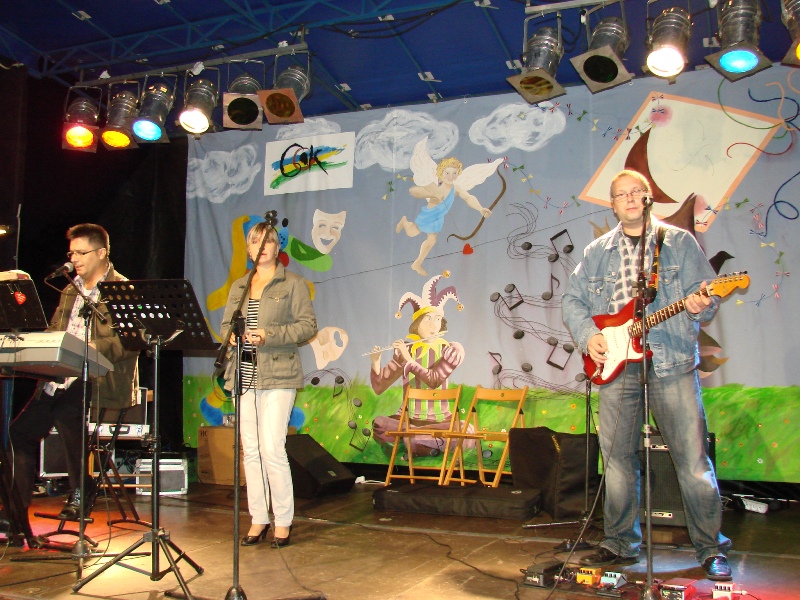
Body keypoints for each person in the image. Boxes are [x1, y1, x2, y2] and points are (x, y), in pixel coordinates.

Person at [561, 170, 732, 581]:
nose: (629, 198)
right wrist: (589, 336)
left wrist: (700, 305)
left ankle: (711, 548)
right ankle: (620, 544)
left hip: (671, 360)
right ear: (613, 204)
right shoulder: (597, 251)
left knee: (692, 460)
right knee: (617, 460)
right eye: (621, 194)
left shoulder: (678, 242)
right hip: (617, 365)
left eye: (636, 191)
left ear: (648, 197)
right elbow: (572, 300)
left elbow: (705, 294)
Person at [10, 224, 139, 524]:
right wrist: (39, 345)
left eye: (81, 253)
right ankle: (15, 511)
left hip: (97, 378)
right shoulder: (70, 289)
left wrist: (94, 347)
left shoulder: (122, 290)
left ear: (102, 253)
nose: (74, 260)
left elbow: (132, 341)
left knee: (68, 412)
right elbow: (56, 330)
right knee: (19, 433)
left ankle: (81, 488)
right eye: (71, 254)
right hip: (60, 377)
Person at [220, 221, 317, 548]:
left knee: (272, 448)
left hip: (279, 373)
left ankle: (283, 520)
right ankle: (258, 517)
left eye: (268, 241)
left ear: (278, 247)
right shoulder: (239, 286)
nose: (261, 247)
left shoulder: (293, 283)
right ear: (249, 249)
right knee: (250, 450)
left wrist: (268, 335)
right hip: (243, 372)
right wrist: (231, 337)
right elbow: (226, 325)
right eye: (254, 241)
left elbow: (307, 326)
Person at [369, 274, 473, 457]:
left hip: (441, 421)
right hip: (408, 419)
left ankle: (412, 441)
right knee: (380, 423)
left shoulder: (450, 349)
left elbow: (434, 380)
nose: (434, 325)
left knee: (467, 430)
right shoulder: (408, 348)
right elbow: (379, 387)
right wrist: (376, 361)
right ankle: (420, 442)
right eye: (428, 319)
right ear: (416, 324)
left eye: (438, 319)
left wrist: (409, 360)